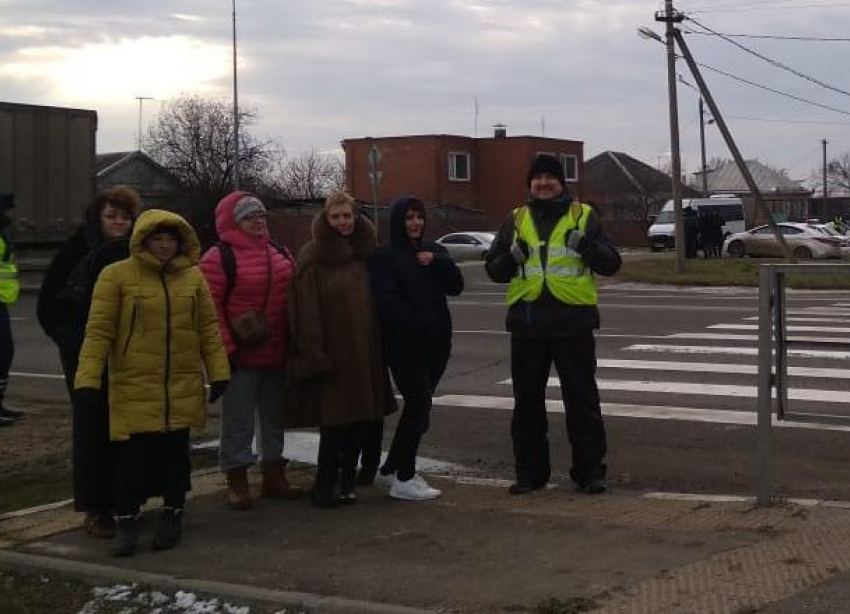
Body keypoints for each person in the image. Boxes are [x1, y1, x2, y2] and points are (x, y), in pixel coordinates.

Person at [74, 209, 230, 557]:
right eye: (157, 239)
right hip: (134, 384)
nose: (163, 246)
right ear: (143, 241)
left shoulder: (193, 278)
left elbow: (208, 329)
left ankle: (173, 513)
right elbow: (99, 331)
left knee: (176, 454)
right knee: (133, 457)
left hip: (180, 382)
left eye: (170, 239)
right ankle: (126, 520)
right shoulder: (116, 276)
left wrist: (219, 371)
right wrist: (87, 379)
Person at [485, 154, 621, 496]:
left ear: (562, 183)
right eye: (537, 178)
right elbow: (494, 271)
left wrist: (586, 245)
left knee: (583, 403)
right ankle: (530, 474)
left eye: (550, 177)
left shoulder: (583, 216)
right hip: (527, 328)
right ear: (529, 184)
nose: (543, 183)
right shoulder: (515, 219)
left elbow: (611, 264)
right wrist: (512, 256)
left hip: (573, 326)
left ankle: (589, 473)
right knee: (527, 405)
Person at [37, 186, 139, 537]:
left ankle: (127, 500)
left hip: (128, 357)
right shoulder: (75, 253)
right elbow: (50, 308)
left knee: (127, 430)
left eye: (125, 218)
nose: (118, 223)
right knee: (93, 432)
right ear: (98, 217)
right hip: (87, 359)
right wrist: (79, 343)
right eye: (111, 216)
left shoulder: (136, 254)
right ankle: (95, 508)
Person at [286, 192, 396, 508]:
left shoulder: (366, 253)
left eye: (347, 216)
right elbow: (304, 310)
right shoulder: (314, 256)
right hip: (333, 353)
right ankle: (325, 484)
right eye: (336, 217)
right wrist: (313, 351)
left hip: (365, 352)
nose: (343, 222)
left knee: (361, 421)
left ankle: (347, 482)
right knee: (334, 424)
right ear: (326, 219)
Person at [200, 191, 301, 510]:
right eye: (248, 216)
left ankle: (274, 475)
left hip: (276, 353)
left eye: (260, 215)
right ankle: (237, 479)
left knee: (274, 417)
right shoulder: (218, 258)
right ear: (232, 221)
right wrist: (226, 350)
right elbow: (209, 309)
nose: (258, 220)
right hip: (241, 357)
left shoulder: (278, 252)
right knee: (238, 421)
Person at [370, 195, 464, 501]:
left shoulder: (434, 250)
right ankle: (405, 478)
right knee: (418, 405)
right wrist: (417, 322)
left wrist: (438, 262)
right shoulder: (385, 256)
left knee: (420, 410)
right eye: (409, 217)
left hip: (437, 344)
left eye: (419, 217)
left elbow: (456, 286)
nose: (415, 223)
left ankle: (390, 469)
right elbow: (387, 302)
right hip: (404, 346)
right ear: (398, 221)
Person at [0, 192, 21, 427]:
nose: (12, 213)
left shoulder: (4, 230)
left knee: (5, 354)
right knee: (3, 352)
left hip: (2, 300)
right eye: (9, 209)